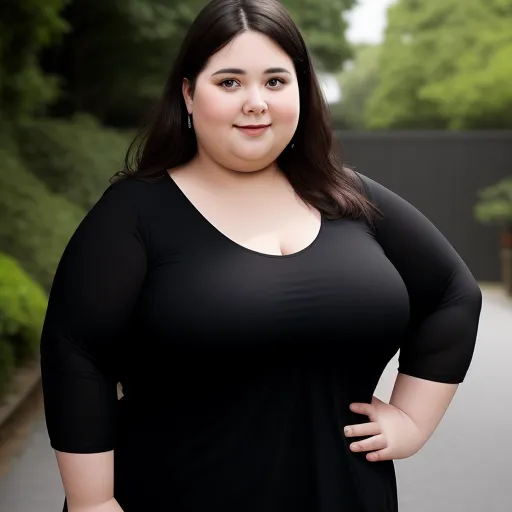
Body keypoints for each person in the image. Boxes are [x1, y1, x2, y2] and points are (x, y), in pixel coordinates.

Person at [40, 0, 482, 511]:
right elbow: (76, 351)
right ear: (188, 93)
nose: (256, 102)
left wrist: (412, 420)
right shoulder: (135, 212)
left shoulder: (351, 200)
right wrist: (92, 501)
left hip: (346, 494)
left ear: (302, 92)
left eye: (276, 81)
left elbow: (453, 293)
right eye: (229, 82)